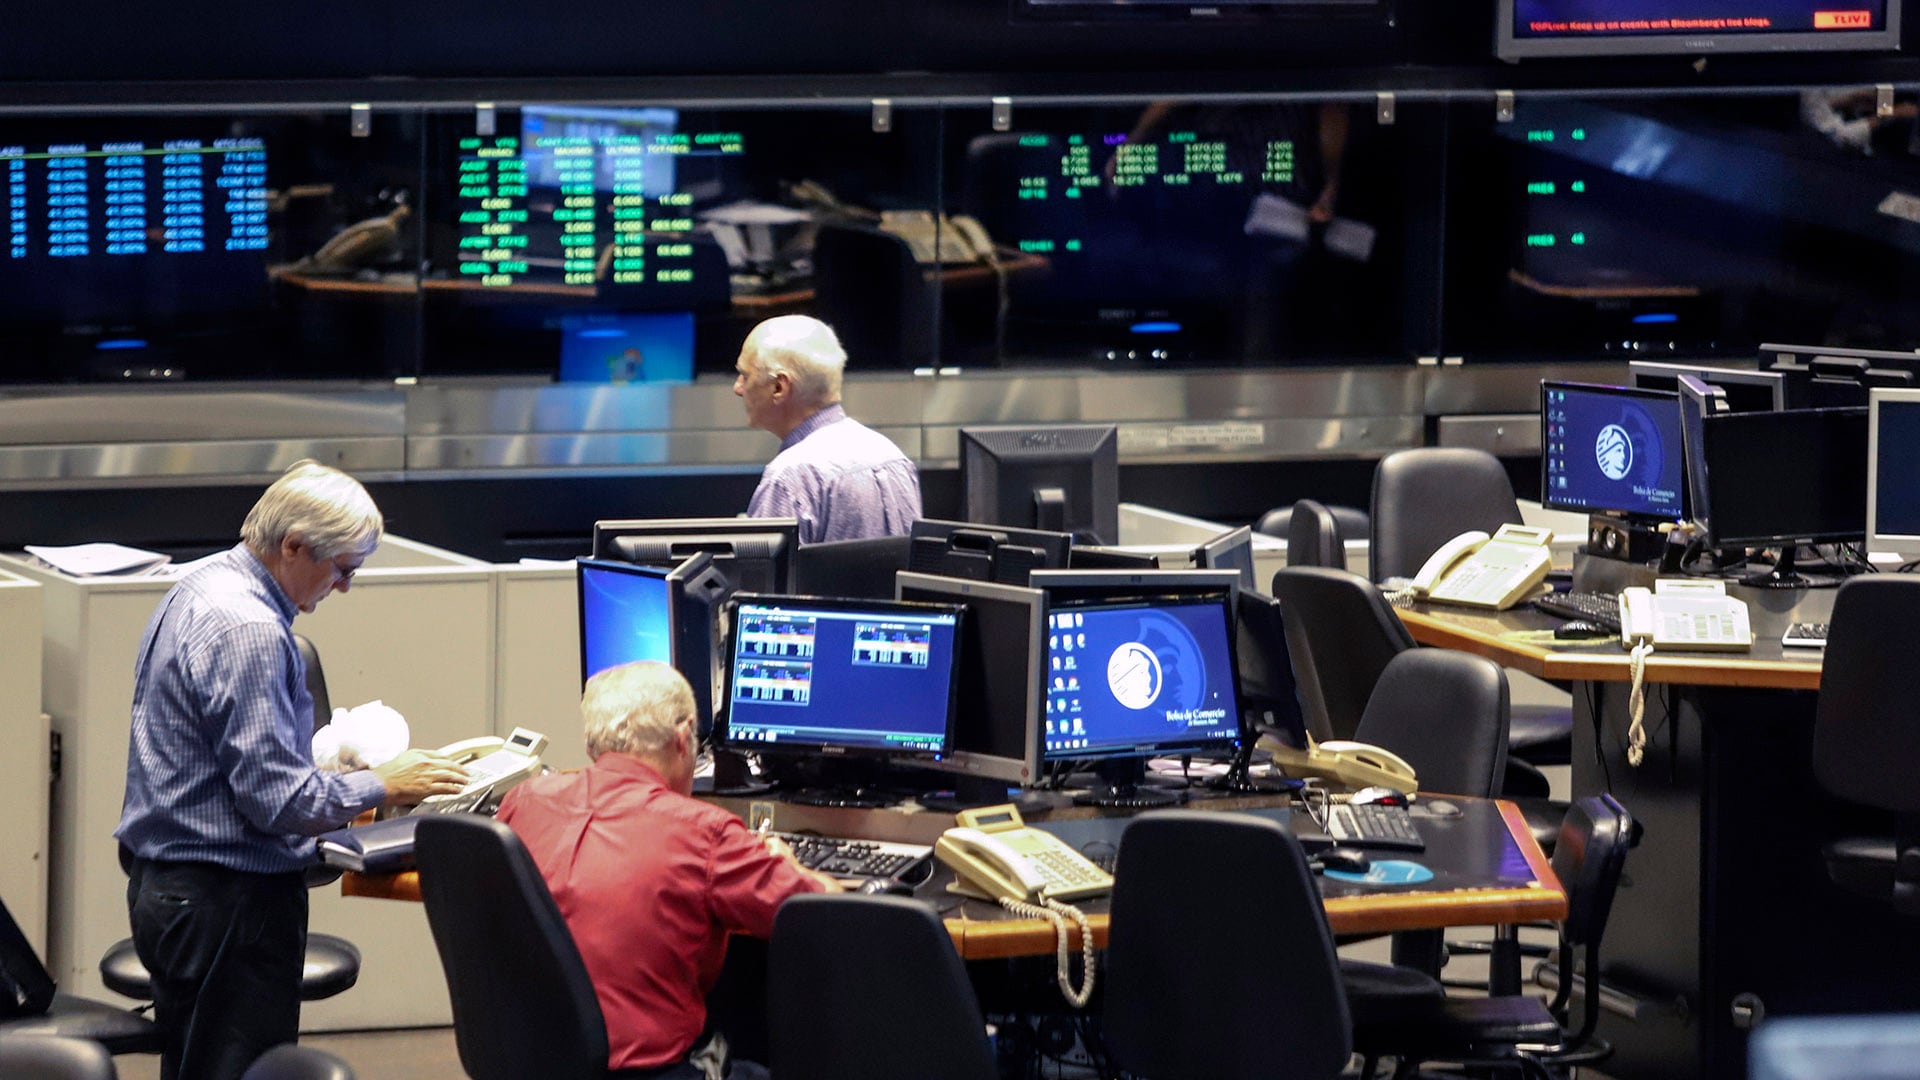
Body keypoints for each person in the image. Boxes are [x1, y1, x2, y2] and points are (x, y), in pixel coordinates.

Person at [115, 460, 472, 1080]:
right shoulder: (250, 629)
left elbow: (230, 761)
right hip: (226, 903)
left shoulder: (200, 585)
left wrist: (330, 775)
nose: (343, 588)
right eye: (341, 569)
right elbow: (276, 803)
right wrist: (387, 782)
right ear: (294, 546)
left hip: (172, 888)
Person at [498, 661, 842, 1079]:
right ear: (683, 739)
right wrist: (788, 864)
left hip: (530, 1063)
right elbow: (826, 917)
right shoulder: (703, 831)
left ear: (594, 743)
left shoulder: (525, 801)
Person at [734, 313, 922, 543]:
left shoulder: (790, 478)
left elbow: (759, 578)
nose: (738, 388)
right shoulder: (894, 457)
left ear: (779, 387)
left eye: (745, 375)